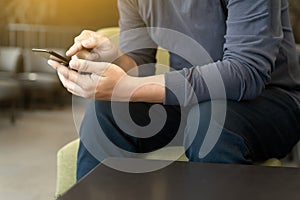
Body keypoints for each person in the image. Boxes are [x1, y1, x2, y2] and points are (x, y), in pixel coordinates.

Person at [49, 0, 300, 181]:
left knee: (210, 120)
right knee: (107, 108)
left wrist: (130, 87)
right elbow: (141, 63)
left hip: (269, 101)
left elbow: (245, 72)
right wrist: (113, 59)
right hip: (189, 101)